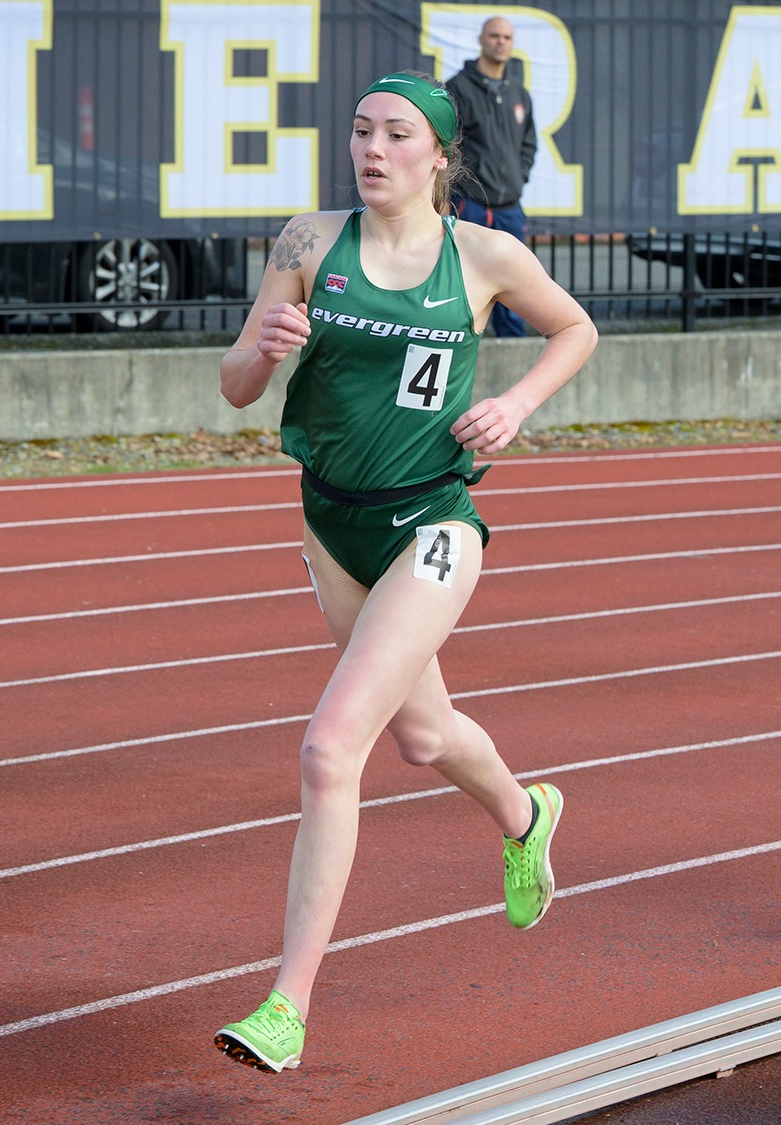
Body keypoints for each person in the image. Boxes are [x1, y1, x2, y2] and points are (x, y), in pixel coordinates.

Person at [212, 71, 598, 1072]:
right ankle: (525, 815)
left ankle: (286, 1006)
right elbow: (237, 386)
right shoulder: (307, 242)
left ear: (438, 156)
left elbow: (576, 328)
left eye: (393, 135)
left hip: (432, 521)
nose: (370, 149)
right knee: (423, 735)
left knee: (330, 747)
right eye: (358, 130)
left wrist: (513, 407)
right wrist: (261, 346)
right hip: (331, 524)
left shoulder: (482, 255)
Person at [444, 15, 538, 338]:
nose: (501, 42)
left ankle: (513, 351)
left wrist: (518, 177)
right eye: (495, 36)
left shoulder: (519, 93)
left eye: (507, 38)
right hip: (470, 204)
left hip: (510, 207)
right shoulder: (457, 88)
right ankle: (462, 345)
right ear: (481, 40)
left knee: (514, 285)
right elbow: (447, 144)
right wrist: (465, 185)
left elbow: (529, 144)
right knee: (465, 280)